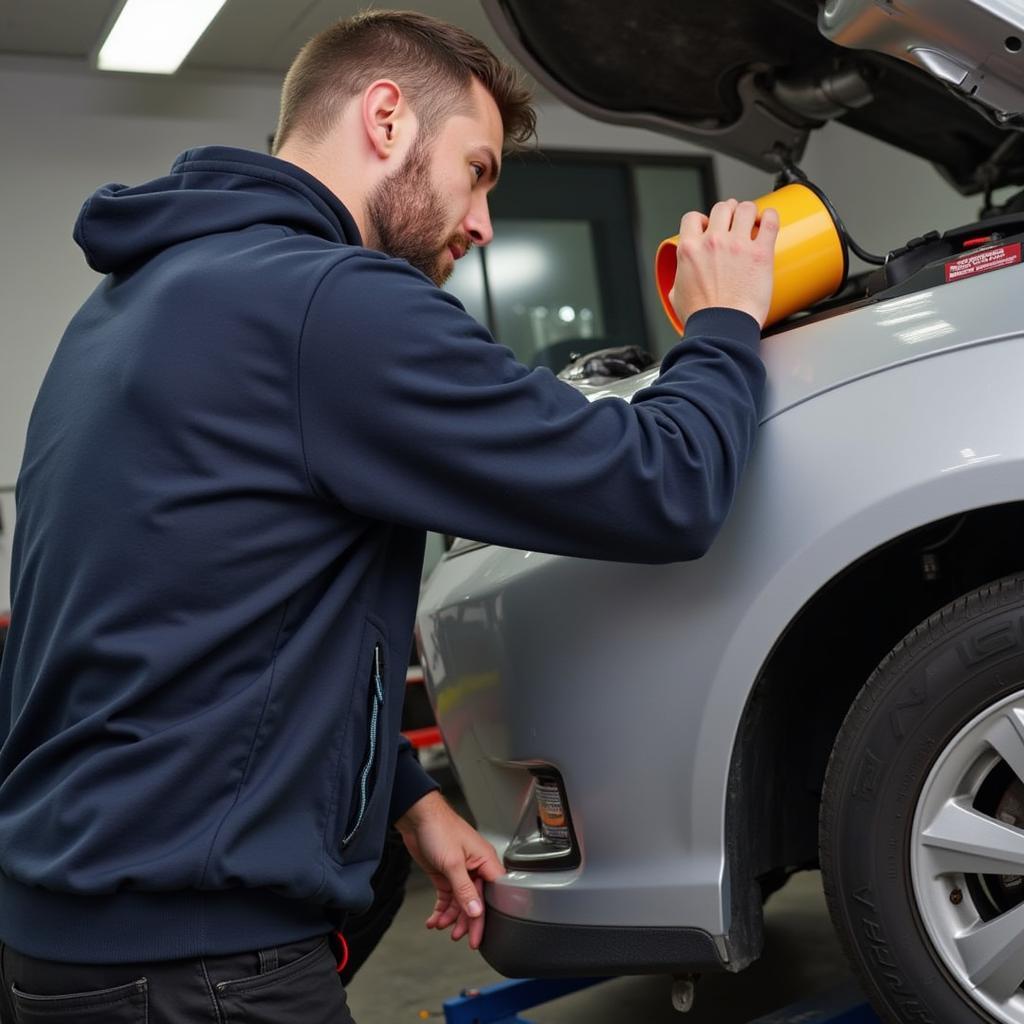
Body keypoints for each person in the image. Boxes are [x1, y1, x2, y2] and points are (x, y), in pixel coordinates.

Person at [0, 9, 778, 1024]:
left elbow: (199, 621)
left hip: (70, 942)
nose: (483, 221)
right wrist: (723, 325)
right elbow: (660, 485)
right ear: (384, 119)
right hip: (197, 965)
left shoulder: (134, 304)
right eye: (480, 170)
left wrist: (405, 796)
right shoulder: (331, 306)